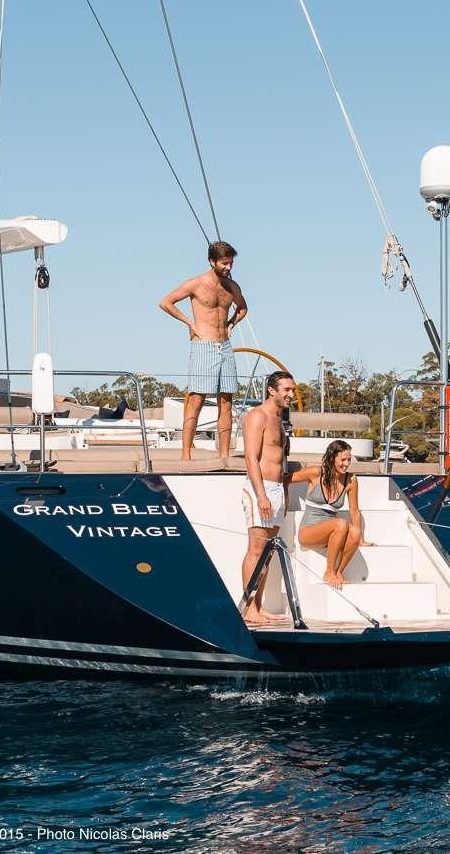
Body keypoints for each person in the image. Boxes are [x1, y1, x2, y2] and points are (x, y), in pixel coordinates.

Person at [158, 240, 247, 459]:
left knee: (226, 401)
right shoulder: (196, 284)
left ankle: (224, 455)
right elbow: (166, 302)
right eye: (224, 263)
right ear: (212, 261)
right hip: (203, 346)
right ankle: (186, 455)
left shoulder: (232, 287)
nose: (228, 267)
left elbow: (243, 308)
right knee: (196, 399)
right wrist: (189, 323)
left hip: (225, 346)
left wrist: (232, 323)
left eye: (231, 263)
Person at [239, 370, 296, 626]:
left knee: (268, 554)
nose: (291, 395)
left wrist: (282, 493)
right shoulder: (257, 416)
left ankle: (258, 607)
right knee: (256, 549)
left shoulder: (280, 419)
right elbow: (251, 457)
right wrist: (261, 495)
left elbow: (280, 460)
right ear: (272, 390)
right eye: (286, 390)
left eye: (293, 390)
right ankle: (248, 608)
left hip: (276, 490)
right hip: (259, 489)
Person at [289, 440, 372, 589]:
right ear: (332, 458)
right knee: (341, 523)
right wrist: (284, 497)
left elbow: (354, 511)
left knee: (355, 532)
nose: (346, 464)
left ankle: (339, 572)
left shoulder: (351, 480)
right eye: (343, 459)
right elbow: (286, 479)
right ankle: (329, 571)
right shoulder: (316, 473)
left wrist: (361, 539)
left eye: (349, 459)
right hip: (308, 531)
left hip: (332, 532)